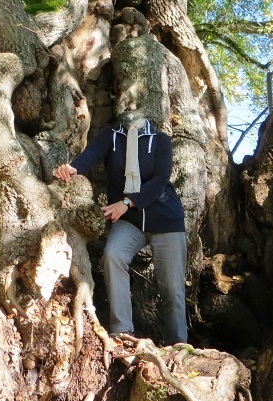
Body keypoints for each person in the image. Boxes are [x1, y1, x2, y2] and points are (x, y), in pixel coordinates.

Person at [54, 116, 188, 345]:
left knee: (173, 289)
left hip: (165, 220)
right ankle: (122, 332)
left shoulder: (161, 140)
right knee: (113, 255)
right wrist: (73, 168)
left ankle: (178, 345)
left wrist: (127, 202)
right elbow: (91, 154)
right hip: (130, 221)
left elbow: (160, 180)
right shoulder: (113, 135)